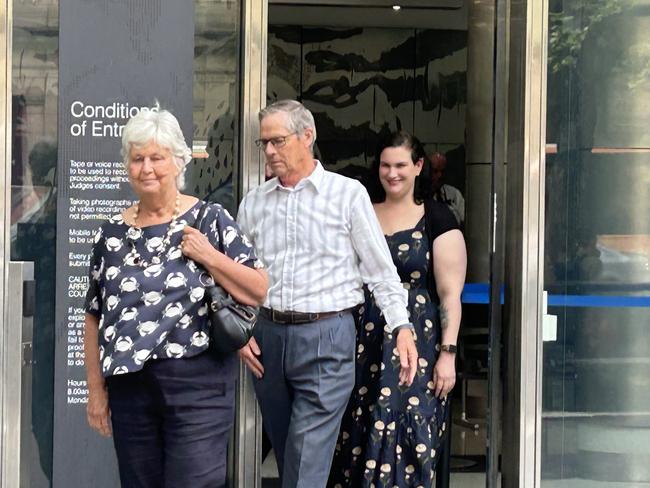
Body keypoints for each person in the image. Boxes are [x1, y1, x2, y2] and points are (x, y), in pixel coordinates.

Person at [237, 99, 419, 488]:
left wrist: (402, 327)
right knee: (293, 456)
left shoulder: (346, 194)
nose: (269, 151)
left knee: (304, 458)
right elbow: (236, 275)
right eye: (264, 143)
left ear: (307, 136)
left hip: (327, 336)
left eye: (278, 141)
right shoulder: (254, 202)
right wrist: (240, 331)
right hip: (267, 338)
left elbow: (380, 270)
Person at [83, 107, 268, 487]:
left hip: (198, 382)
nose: (147, 168)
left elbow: (258, 287)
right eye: (137, 159)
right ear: (127, 166)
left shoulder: (210, 219)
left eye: (157, 157)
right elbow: (93, 315)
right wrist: (96, 390)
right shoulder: (110, 235)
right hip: (130, 387)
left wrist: (209, 256)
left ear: (178, 161)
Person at [329, 132, 467, 487]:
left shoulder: (438, 218)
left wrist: (448, 354)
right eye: (386, 165)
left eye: (401, 165)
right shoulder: (360, 213)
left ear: (419, 167)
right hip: (360, 341)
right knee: (354, 431)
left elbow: (450, 294)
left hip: (417, 347)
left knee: (412, 435)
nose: (393, 173)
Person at [431, 151, 465, 226]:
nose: (440, 175)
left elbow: (465, 219)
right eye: (435, 171)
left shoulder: (453, 193)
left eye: (442, 171)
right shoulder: (419, 195)